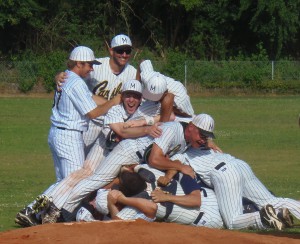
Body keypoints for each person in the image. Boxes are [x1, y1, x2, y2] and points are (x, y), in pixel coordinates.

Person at [14, 79, 163, 227]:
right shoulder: (115, 109)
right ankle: (49, 210)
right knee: (85, 175)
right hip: (104, 148)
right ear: (122, 96)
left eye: (136, 96)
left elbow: (168, 113)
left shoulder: (145, 109)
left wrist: (148, 120)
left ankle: (49, 210)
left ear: (141, 98)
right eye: (128, 95)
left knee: (91, 181)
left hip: (120, 154)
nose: (131, 100)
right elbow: (121, 132)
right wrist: (146, 128)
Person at [46, 113, 215, 223]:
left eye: (206, 136)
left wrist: (212, 144)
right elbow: (154, 158)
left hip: (136, 159)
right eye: (201, 135)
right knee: (96, 181)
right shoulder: (173, 130)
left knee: (108, 184)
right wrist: (179, 166)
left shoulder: (188, 135)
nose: (203, 139)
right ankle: (62, 211)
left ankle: (85, 210)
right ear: (191, 127)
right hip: (128, 153)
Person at [165, 139, 299, 230]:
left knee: (232, 221)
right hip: (239, 164)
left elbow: (174, 165)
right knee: (272, 200)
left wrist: (167, 176)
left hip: (225, 174)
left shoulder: (181, 154)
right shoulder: (206, 145)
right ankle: (281, 212)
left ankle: (262, 218)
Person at [56, 34, 137, 156]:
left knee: (102, 164)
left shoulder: (132, 72)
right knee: (77, 156)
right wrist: (58, 76)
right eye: (120, 50)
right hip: (90, 122)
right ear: (111, 51)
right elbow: (73, 78)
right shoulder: (96, 66)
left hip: (113, 123)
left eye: (128, 51)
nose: (124, 55)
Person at [79, 164, 224, 229]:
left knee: (234, 222)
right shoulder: (150, 173)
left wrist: (115, 203)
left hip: (207, 217)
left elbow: (118, 225)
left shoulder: (139, 205)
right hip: (208, 193)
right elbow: (130, 167)